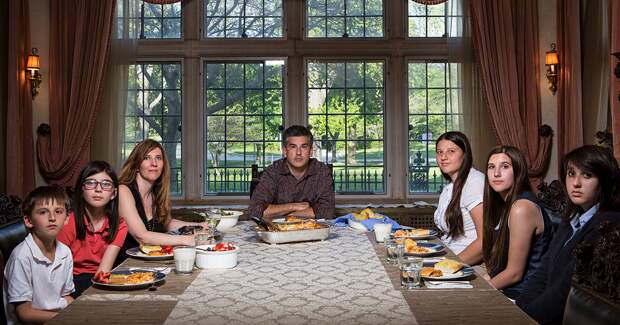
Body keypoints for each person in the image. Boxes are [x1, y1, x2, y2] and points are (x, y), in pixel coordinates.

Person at [516, 145, 620, 324]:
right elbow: (544, 270)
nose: (576, 183)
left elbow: (565, 290)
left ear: (604, 180)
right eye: (571, 174)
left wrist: (525, 318)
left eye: (587, 175)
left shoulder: (607, 225)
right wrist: (519, 308)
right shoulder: (572, 217)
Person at [482, 146, 553, 299]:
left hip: (522, 297)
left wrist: (478, 292)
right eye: (491, 167)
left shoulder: (521, 207)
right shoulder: (503, 204)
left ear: (518, 171)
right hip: (508, 290)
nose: (496, 173)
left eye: (505, 167)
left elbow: (514, 274)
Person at [118, 139, 204, 261]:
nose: (154, 163)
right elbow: (142, 236)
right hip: (126, 266)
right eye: (147, 158)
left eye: (158, 158)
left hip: (151, 261)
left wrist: (200, 226)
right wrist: (188, 240)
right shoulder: (123, 191)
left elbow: (166, 223)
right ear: (137, 164)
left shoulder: (155, 193)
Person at [3, 186, 74, 324]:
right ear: (29, 221)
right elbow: (25, 313)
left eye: (58, 211)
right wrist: (67, 319)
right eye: (43, 212)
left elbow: (66, 297)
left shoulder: (65, 252)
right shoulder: (21, 257)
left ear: (66, 219)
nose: (52, 218)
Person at [57, 161, 128, 297]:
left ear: (114, 193)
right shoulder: (67, 222)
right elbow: (57, 271)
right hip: (70, 281)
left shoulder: (120, 224)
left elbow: (103, 271)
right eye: (91, 183)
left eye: (106, 184)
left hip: (100, 277)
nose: (98, 189)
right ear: (81, 189)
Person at [248, 125, 335, 220]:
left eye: (304, 147)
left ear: (310, 151)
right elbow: (254, 210)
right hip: (278, 231)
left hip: (314, 230)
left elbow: (327, 211)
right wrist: (294, 206)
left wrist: (286, 215)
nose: (298, 153)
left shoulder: (321, 171)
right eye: (293, 147)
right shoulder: (273, 172)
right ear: (285, 151)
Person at [433, 131, 485, 265]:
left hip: (468, 262)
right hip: (449, 254)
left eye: (451, 151)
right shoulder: (449, 188)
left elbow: (485, 241)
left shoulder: (475, 182)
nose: (443, 157)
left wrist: (446, 266)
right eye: (439, 152)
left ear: (464, 154)